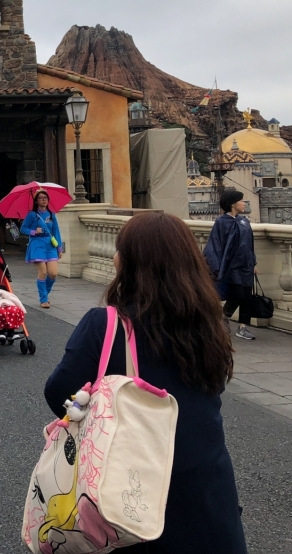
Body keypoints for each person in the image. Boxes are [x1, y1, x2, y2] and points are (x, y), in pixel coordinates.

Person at [45, 211, 245, 553]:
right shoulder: (210, 321)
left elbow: (58, 392)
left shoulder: (105, 325)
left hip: (130, 491)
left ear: (131, 262)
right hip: (208, 490)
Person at [204, 189, 258, 340]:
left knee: (247, 296)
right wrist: (216, 266)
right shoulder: (221, 222)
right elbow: (214, 245)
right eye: (241, 201)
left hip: (246, 265)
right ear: (233, 204)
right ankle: (224, 316)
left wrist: (253, 262)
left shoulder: (244, 221)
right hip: (231, 266)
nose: (243, 203)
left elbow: (250, 244)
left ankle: (243, 327)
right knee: (238, 294)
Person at [20, 189, 64, 308]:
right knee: (43, 272)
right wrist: (34, 231)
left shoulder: (51, 215)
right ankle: (43, 299)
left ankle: (45, 294)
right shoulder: (31, 215)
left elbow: (56, 232)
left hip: (50, 245)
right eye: (40, 198)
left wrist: (60, 248)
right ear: (36, 201)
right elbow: (23, 229)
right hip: (37, 244)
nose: (43, 200)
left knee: (53, 274)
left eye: (45, 198)